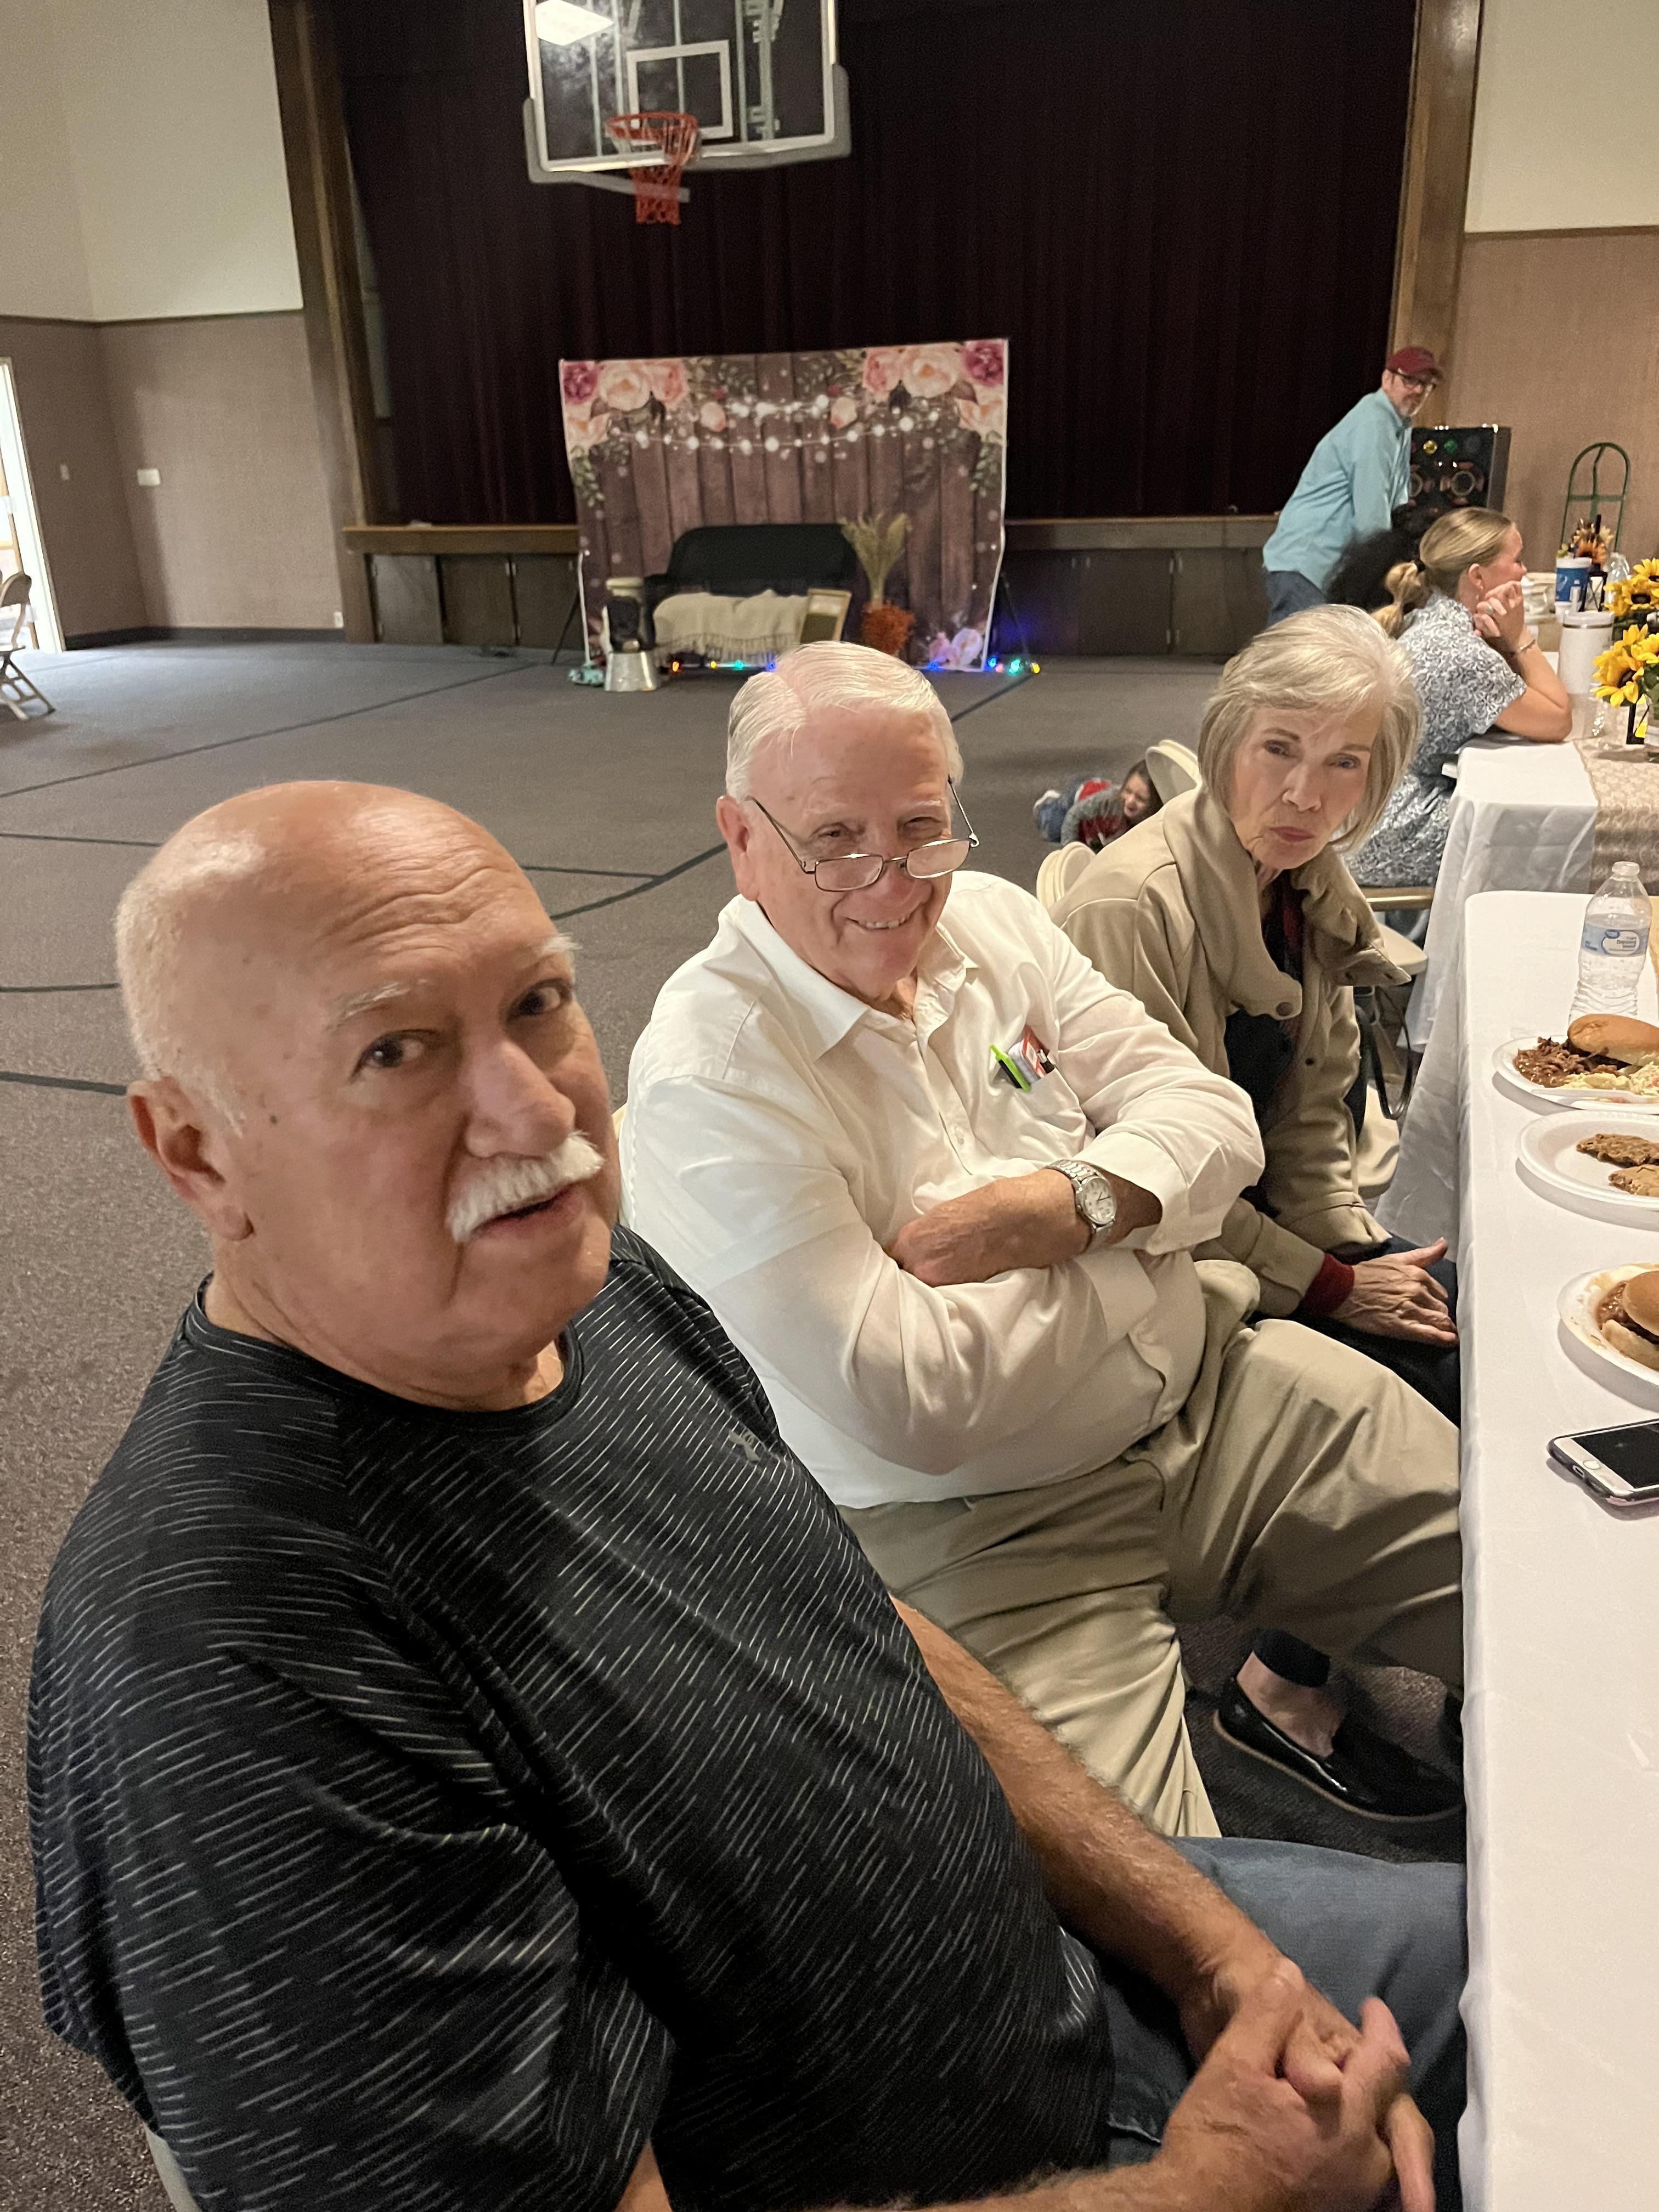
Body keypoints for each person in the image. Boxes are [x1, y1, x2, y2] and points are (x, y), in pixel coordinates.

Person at [27, 780, 1466, 2212]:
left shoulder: (591, 1290)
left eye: (538, 1003)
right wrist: (1213, 2192)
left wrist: (1208, 1944)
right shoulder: (228, 1662)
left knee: (1553, 1960)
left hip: (1079, 1982)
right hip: (1029, 2170)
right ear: (198, 1153)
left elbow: (863, 1629)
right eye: (397, 1051)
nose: (539, 1110)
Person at [623, 642, 1462, 1844]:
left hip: (1222, 1397)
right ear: (741, 837)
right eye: (835, 838)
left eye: (921, 827)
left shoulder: (996, 920)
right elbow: (919, 1401)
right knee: (1169, 1914)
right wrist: (1153, 1239)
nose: (891, 879)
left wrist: (1065, 1212)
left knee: (1571, 1596)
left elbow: (1218, 1125)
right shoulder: (714, 1077)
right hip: (986, 1534)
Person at [1049, 607, 1461, 1821]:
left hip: (1254, 1232)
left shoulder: (1299, 881)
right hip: (1149, 1265)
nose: (1303, 792)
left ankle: (1435, 1654)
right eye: (1279, 747)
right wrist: (1334, 1288)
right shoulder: (1135, 907)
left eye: (1344, 763)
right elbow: (1153, 1189)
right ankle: (1278, 1691)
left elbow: (1311, 1115)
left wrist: (1358, 1246)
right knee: (1428, 1386)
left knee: (1457, 1333)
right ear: (1227, 735)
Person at [1351, 506, 1572, 892]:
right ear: (1478, 577)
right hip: (1394, 831)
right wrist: (1519, 636)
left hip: (1370, 814)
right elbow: (1557, 719)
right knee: (1538, 840)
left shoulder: (1430, 619)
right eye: (1517, 561)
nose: (1524, 573)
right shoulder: (1461, 654)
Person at [1260, 347, 1441, 627]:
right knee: (1300, 654)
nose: (1418, 390)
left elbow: (1398, 507)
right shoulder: (1375, 420)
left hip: (1322, 569)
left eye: (1426, 385)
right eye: (1410, 380)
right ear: (1387, 378)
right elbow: (1373, 518)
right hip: (1309, 565)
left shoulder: (1400, 426)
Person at [1034, 760, 1162, 850]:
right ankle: (1048, 804)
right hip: (1079, 797)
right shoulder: (1110, 801)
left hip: (1099, 825)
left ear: (1153, 804)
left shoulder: (1153, 820)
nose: (1130, 801)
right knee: (1053, 829)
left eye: (1140, 798)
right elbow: (1074, 814)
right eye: (1128, 791)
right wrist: (1070, 851)